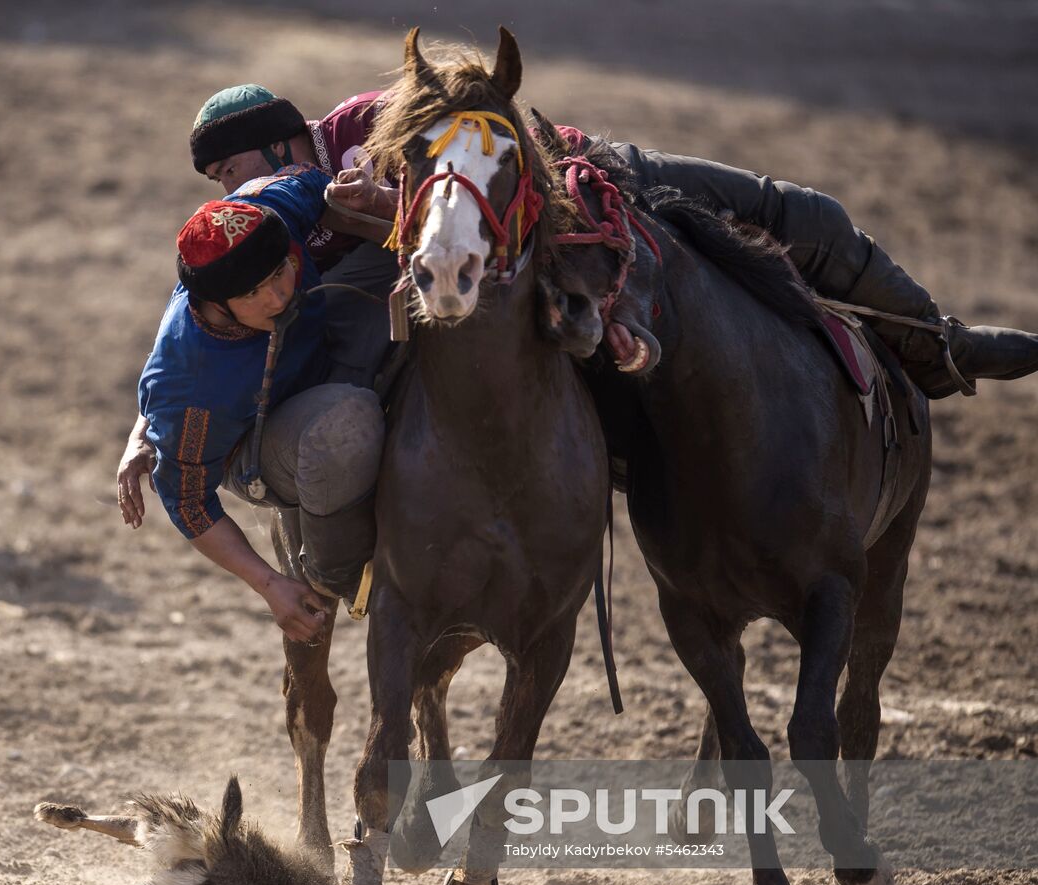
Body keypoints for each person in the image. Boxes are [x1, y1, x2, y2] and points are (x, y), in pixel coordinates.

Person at [120, 83, 1038, 535]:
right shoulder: (268, 223)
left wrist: (398, 199)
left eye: (237, 168)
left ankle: (934, 344)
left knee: (782, 211)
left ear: (281, 138)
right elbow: (188, 305)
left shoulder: (374, 119)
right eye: (225, 183)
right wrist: (141, 429)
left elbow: (494, 131)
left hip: (577, 185)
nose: (236, 191)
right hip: (488, 301)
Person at [140, 165, 392, 642]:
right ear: (213, 305)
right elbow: (188, 502)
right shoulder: (189, 386)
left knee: (419, 262)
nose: (278, 295)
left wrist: (372, 194)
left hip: (321, 353)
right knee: (346, 421)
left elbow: (310, 177)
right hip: (258, 440)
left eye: (281, 271)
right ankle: (341, 573)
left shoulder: (268, 211)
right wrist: (270, 584)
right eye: (253, 293)